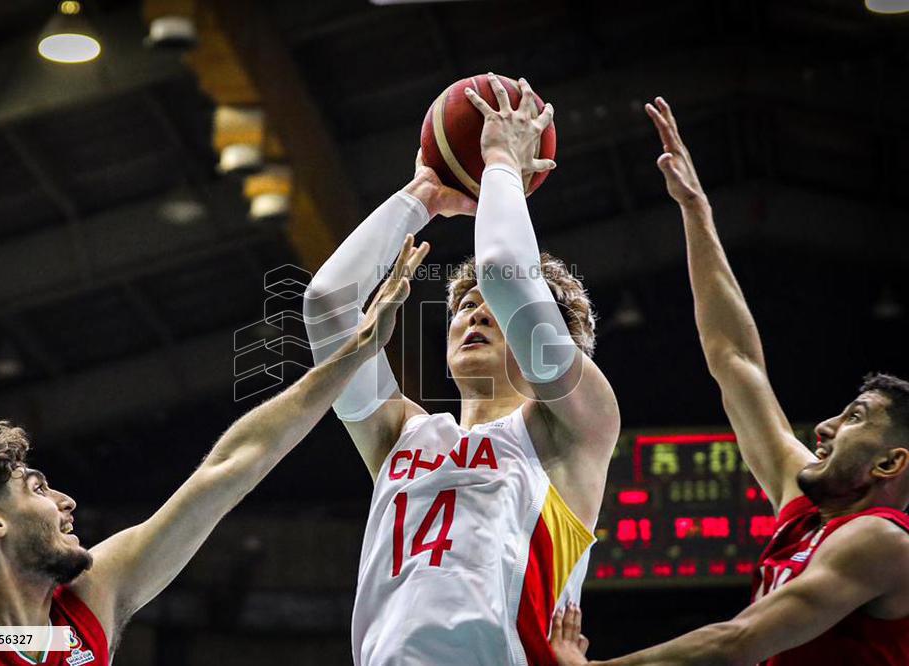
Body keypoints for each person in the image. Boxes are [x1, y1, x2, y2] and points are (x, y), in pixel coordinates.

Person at [0, 237, 429, 666]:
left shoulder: (88, 602)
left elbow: (227, 471)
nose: (66, 502)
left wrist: (355, 354)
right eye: (37, 488)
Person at [553, 97, 909, 666]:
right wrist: (696, 211)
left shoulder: (884, 542)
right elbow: (735, 358)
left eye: (856, 418)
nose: (824, 426)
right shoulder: (804, 509)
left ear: (890, 463)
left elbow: (737, 642)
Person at [303, 73, 621, 666]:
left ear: (553, 337)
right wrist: (420, 196)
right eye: (462, 307)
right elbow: (326, 304)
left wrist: (501, 159)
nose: (474, 313)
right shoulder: (403, 434)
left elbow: (504, 271)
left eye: (492, 310)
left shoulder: (575, 428)